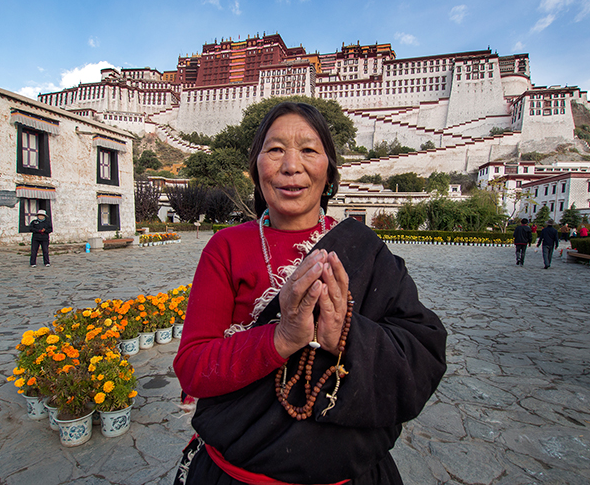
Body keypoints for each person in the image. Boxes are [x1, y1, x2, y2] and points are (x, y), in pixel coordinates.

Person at [173, 102, 447, 485]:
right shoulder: (226, 248)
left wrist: (344, 337)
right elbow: (193, 368)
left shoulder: (365, 250)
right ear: (256, 169)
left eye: (308, 150)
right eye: (275, 149)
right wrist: (281, 337)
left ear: (329, 172)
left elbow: (422, 356)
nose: (291, 166)